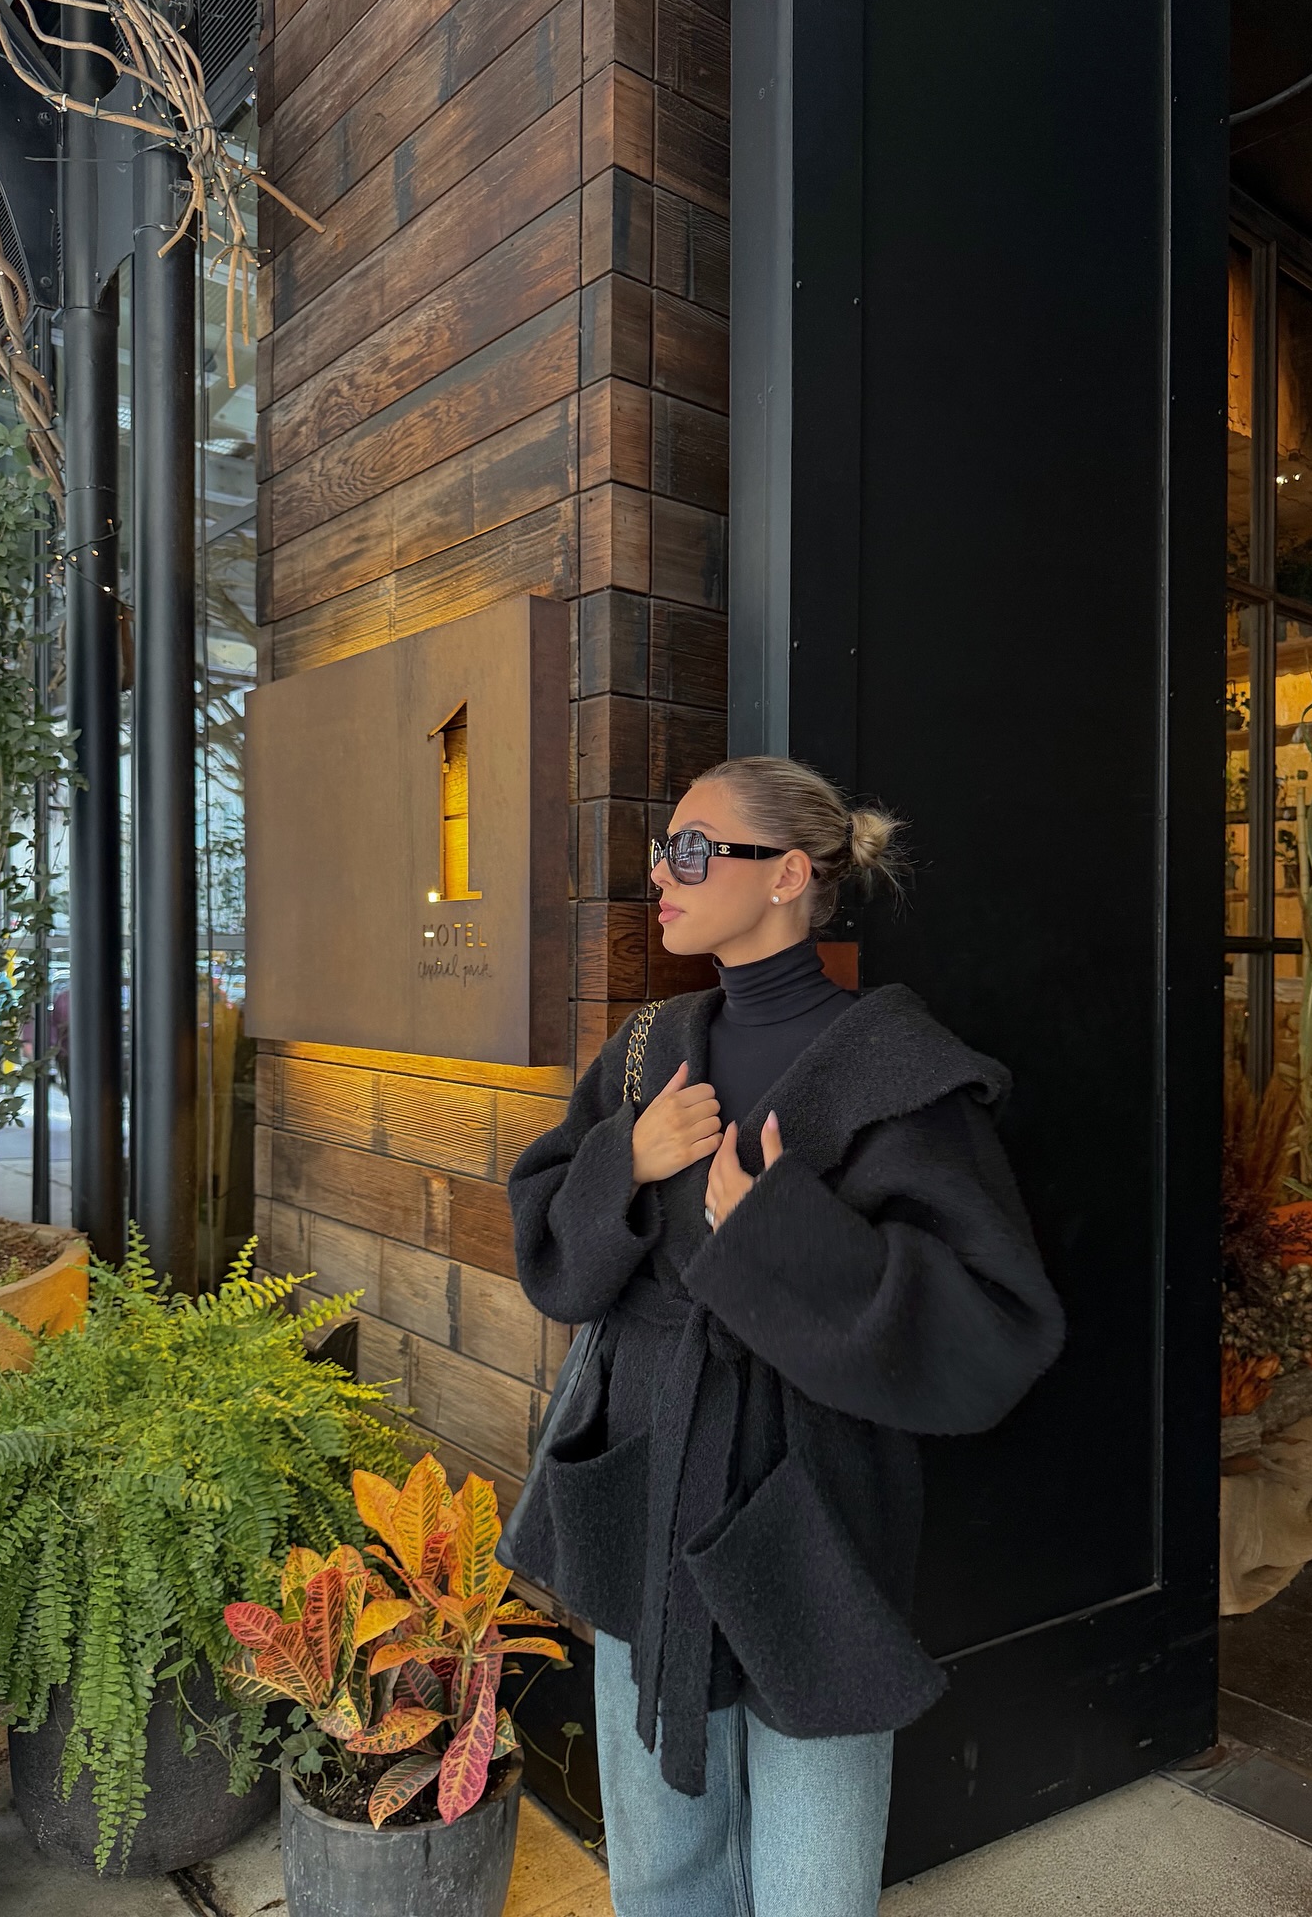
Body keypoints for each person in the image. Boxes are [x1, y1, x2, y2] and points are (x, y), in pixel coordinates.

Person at [504, 755, 1065, 1917]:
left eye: (692, 850)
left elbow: (992, 1324)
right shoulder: (648, 1050)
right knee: (657, 1863)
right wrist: (625, 1160)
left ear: (788, 875)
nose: (662, 874)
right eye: (662, 849)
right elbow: (551, 1251)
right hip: (650, 1483)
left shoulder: (899, 1073)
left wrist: (779, 1233)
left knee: (816, 1880)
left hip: (816, 1503)